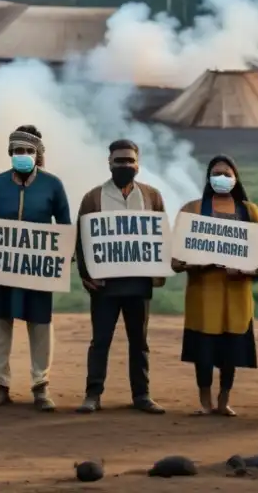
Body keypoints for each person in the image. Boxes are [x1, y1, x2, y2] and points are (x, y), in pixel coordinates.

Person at [0, 125, 71, 411]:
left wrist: (65, 251)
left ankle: (41, 386)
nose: (21, 155)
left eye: (27, 151)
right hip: (0, 267)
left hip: (36, 268)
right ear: (9, 153)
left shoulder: (53, 185)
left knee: (40, 326)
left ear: (37, 154)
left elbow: (64, 225)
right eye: (16, 151)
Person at [75, 139, 167, 415]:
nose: (125, 165)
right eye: (119, 161)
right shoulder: (93, 197)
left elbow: (161, 235)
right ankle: (93, 394)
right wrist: (85, 273)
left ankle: (142, 395)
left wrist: (159, 272)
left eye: (130, 161)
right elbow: (81, 238)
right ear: (109, 163)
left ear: (138, 164)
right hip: (104, 285)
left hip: (139, 282)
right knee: (100, 340)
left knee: (139, 341)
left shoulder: (152, 196)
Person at [171, 154, 258, 417]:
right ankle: (204, 401)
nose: (222, 179)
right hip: (203, 294)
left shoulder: (249, 211)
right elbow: (176, 260)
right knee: (204, 350)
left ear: (236, 178)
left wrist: (245, 269)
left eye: (227, 174)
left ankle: (224, 400)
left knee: (229, 350)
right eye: (217, 173)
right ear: (208, 178)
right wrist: (195, 265)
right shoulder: (192, 210)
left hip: (236, 294)